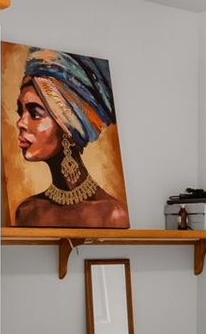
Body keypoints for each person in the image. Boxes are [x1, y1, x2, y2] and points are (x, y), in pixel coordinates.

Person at [12, 49, 130, 228]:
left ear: (67, 126)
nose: (20, 123)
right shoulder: (28, 212)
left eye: (35, 113)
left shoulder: (114, 215)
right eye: (20, 112)